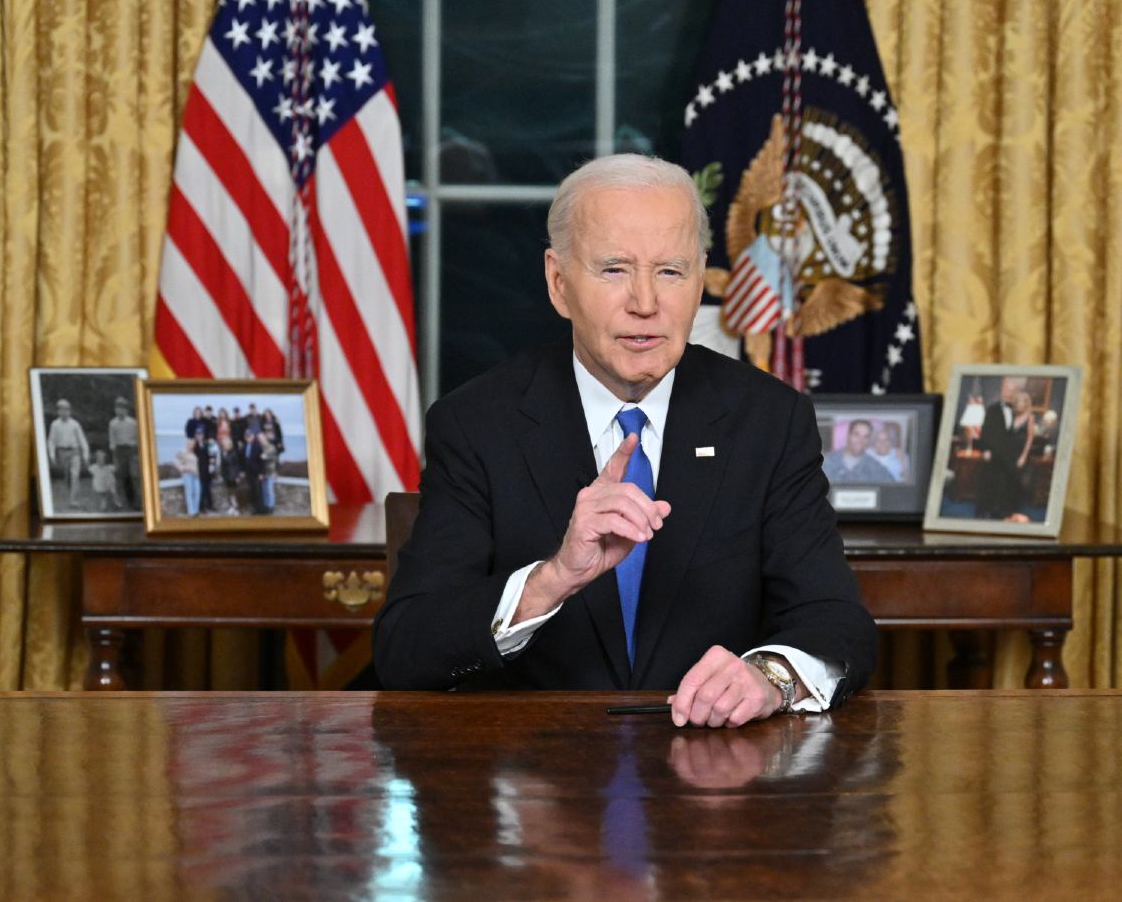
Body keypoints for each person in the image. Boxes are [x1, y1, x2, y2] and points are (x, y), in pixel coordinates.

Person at [374, 154, 876, 729]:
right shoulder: (476, 425)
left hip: (718, 783)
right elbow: (404, 650)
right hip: (534, 778)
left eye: (670, 271)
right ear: (559, 284)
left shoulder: (769, 419)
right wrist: (553, 578)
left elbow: (838, 621)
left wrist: (770, 678)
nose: (645, 302)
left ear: (701, 277)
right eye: (615, 270)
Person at [974, 376, 1026, 520]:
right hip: (995, 456)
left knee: (1010, 485)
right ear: (1002, 389)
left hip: (1010, 457)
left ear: (1017, 392)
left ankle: (1006, 513)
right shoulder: (993, 409)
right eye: (1005, 389)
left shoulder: (1020, 411)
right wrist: (985, 451)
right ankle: (984, 512)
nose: (1008, 393)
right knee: (989, 484)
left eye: (1012, 390)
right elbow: (985, 434)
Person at [47, 398, 90, 509]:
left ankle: (73, 500)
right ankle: (72, 495)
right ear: (58, 411)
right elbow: (51, 441)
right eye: (61, 409)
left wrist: (85, 454)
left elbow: (82, 440)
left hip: (74, 451)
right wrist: (52, 455)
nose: (64, 412)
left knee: (75, 475)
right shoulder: (55, 425)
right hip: (62, 452)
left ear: (69, 411)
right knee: (67, 477)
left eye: (66, 409)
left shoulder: (75, 424)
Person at [822, 419, 894, 484]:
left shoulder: (876, 468)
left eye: (866, 437)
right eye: (856, 435)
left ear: (869, 440)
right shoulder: (826, 462)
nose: (860, 440)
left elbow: (893, 489)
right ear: (848, 435)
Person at [107, 396, 141, 509]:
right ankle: (126, 501)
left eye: (122, 408)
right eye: (117, 408)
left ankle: (138, 501)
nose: (119, 410)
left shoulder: (133, 423)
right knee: (122, 476)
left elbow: (138, 438)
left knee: (134, 475)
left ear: (126, 410)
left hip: (131, 451)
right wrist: (114, 454)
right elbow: (112, 440)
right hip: (119, 451)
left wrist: (136, 452)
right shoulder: (113, 423)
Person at [240, 426, 266, 514]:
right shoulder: (245, 445)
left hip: (257, 473)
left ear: (253, 436)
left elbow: (262, 461)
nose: (248, 438)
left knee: (259, 492)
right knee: (253, 491)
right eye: (246, 436)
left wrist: (262, 473)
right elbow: (243, 459)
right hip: (249, 473)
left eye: (249, 436)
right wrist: (243, 471)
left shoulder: (258, 446)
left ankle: (261, 510)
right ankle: (255, 509)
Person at [175, 438, 200, 516]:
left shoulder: (195, 453)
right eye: (189, 444)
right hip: (188, 475)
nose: (191, 445)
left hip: (196, 475)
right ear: (187, 444)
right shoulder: (182, 452)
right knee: (189, 492)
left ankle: (196, 511)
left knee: (197, 492)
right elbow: (177, 463)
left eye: (192, 444)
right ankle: (191, 512)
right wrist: (184, 468)